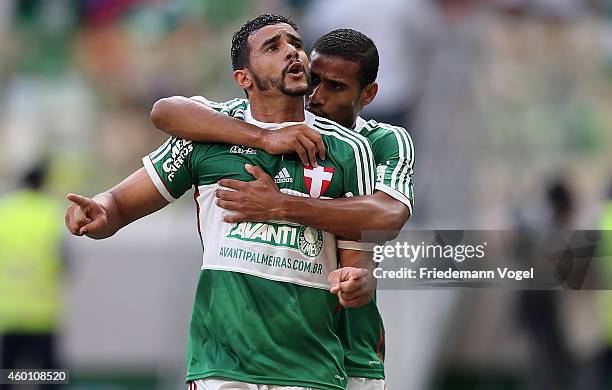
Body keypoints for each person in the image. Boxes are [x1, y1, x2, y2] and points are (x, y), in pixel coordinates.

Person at [65, 14, 377, 390]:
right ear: (244, 78)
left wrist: (358, 283)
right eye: (273, 47)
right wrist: (99, 211)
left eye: (295, 43)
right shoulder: (207, 133)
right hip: (221, 365)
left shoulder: (348, 148)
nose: (292, 51)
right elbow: (118, 202)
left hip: (310, 367)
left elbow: (358, 267)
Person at [151, 28, 415, 390]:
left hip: (352, 350)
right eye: (314, 80)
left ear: (367, 94)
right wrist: (262, 137)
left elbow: (387, 216)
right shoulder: (257, 130)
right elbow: (167, 111)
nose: (317, 97)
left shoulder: (379, 142)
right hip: (251, 358)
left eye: (336, 87)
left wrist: (280, 206)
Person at [0, 161, 64, 390]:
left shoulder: (5, 211)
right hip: (42, 315)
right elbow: (65, 262)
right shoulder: (50, 211)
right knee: (50, 379)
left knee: (5, 377)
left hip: (8, 314)